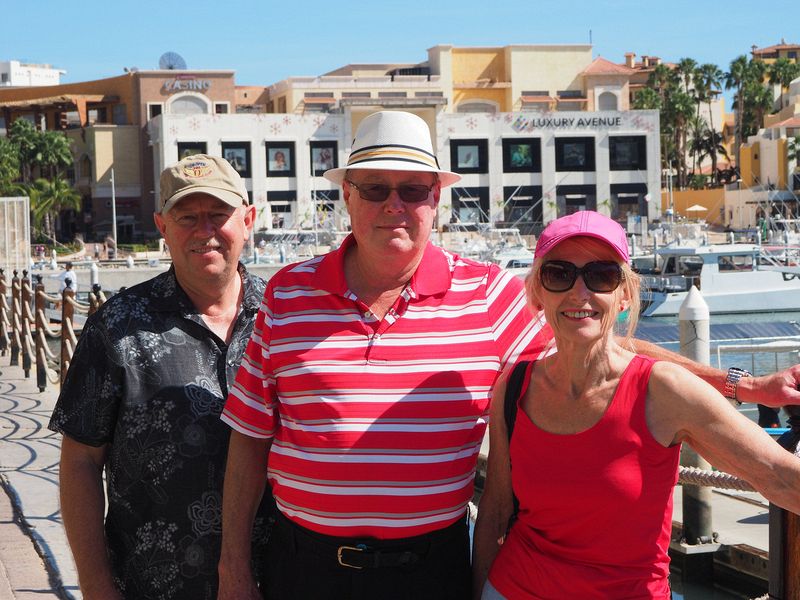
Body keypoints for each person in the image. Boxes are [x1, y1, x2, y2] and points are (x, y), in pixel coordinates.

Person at [217, 111, 800, 600]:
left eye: (413, 189)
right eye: (374, 187)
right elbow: (249, 437)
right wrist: (233, 567)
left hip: (432, 571)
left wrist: (743, 387)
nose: (394, 204)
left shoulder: (490, 296)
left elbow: (605, 350)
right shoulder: (287, 294)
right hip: (307, 569)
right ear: (347, 195)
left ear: (436, 199)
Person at [473, 211, 800, 599]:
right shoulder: (514, 387)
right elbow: (493, 512)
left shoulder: (663, 389)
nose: (580, 293)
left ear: (625, 293)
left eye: (602, 276)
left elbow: (779, 476)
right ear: (537, 292)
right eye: (559, 274)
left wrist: (746, 385)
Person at [49, 154, 273, 600]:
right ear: (162, 226)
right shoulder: (117, 326)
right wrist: (96, 586)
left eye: (218, 215)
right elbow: (80, 462)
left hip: (277, 580)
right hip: (152, 585)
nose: (204, 230)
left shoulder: (285, 318)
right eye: (187, 217)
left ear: (248, 220)